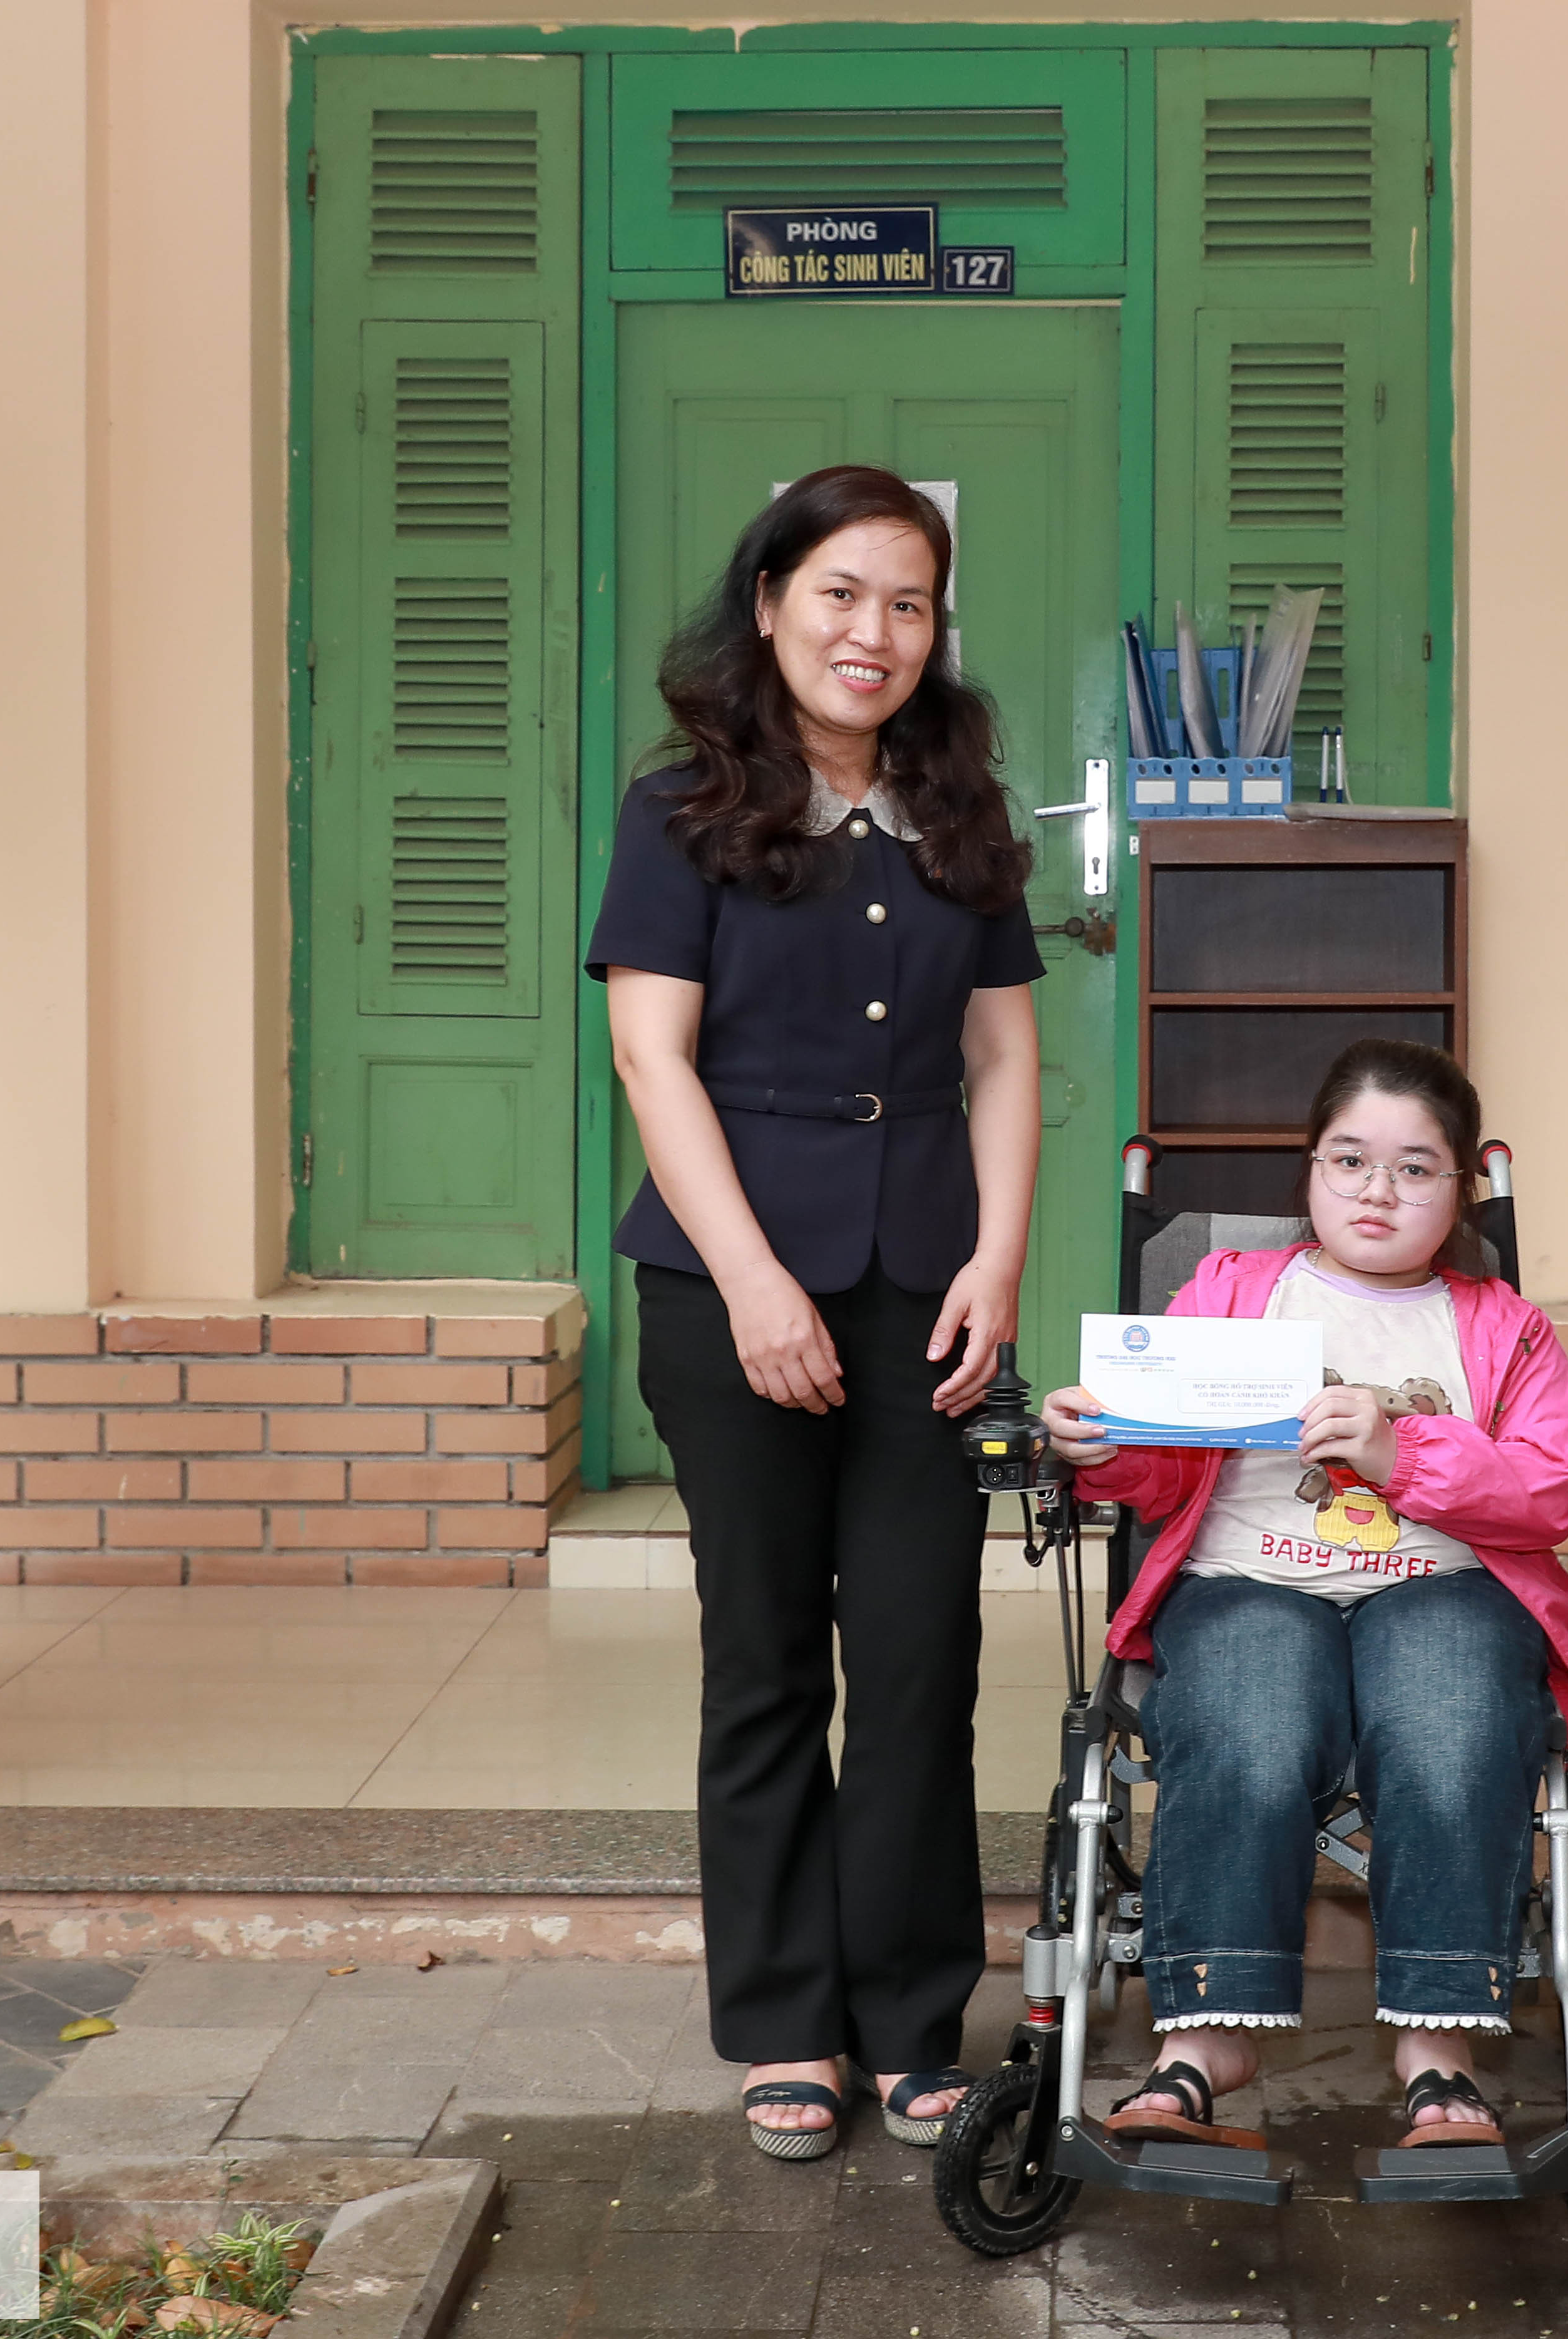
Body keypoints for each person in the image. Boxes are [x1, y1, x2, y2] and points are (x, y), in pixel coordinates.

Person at [588, 466, 1043, 2162]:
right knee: (766, 1656)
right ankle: (788, 2018)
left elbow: (1003, 1053)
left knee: (923, 1656)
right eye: (842, 593)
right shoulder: (679, 812)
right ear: (770, 600)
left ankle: (910, 2018)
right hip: (730, 1290)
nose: (875, 632)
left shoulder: (958, 812)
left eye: (908, 603)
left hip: (926, 1291)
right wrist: (755, 1280)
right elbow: (652, 1058)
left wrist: (998, 1261)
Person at [1036, 1039, 1568, 2149]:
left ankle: (1438, 2050)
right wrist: (1100, 1445)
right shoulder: (1234, 1292)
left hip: (1444, 1586)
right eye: (1349, 1161)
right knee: (1249, 1716)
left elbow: (1548, 1491)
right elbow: (1161, 1465)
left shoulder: (1503, 1324)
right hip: (1247, 1579)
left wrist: (1400, 1453)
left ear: (1460, 1189)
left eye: (1414, 1168)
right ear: (1311, 1170)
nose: (1377, 1192)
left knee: (1450, 1719)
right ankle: (1207, 2037)